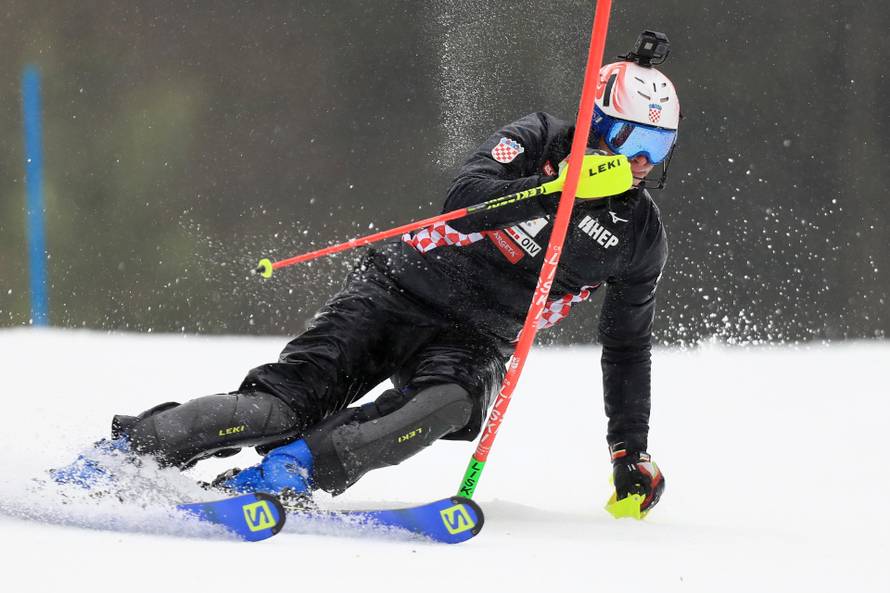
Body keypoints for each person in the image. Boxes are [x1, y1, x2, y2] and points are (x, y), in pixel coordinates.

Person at [54, 31, 679, 517]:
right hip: (400, 291)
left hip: (478, 341)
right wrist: (552, 189)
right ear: (596, 121)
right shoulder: (540, 138)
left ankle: (288, 473)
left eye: (659, 148)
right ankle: (128, 454)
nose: (641, 163)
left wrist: (629, 448)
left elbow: (627, 347)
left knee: (439, 408)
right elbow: (463, 200)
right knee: (278, 409)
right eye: (629, 139)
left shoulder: (640, 236)